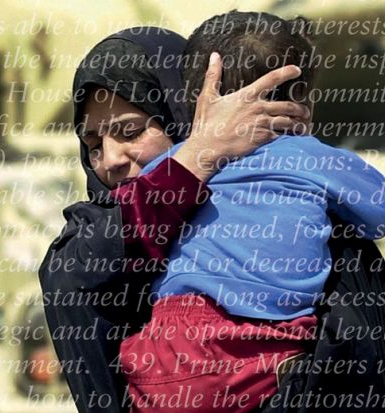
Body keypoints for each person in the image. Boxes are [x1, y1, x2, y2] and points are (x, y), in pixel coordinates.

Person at [117, 12, 385, 412]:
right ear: (302, 100)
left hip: (164, 354)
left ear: (198, 99)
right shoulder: (312, 160)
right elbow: (381, 212)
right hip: (263, 349)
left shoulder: (176, 167)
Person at [38, 27, 309, 413]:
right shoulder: (88, 239)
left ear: (179, 112)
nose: (110, 159)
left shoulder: (277, 201)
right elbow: (76, 274)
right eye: (94, 144)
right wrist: (198, 155)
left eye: (130, 131)